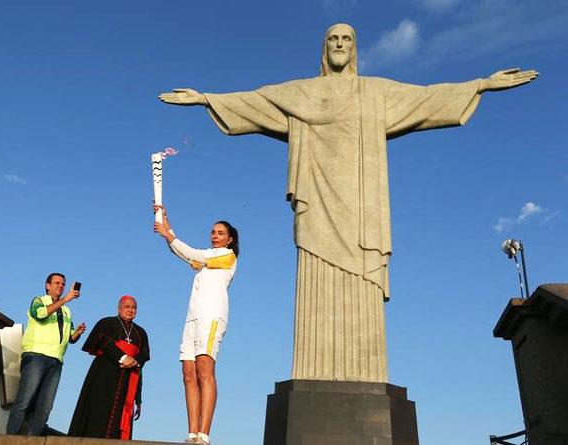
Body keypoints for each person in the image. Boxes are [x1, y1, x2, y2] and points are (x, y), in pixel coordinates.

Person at [159, 23, 538, 383]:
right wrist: (206, 98)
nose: (339, 44)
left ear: (354, 48)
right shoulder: (300, 93)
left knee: (362, 280)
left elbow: (427, 97)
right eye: (332, 39)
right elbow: (257, 101)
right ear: (324, 49)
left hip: (362, 209)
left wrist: (482, 85)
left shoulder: (375, 92)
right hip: (316, 205)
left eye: (346, 39)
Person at [153, 205, 239, 445]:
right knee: (188, 374)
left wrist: (167, 233)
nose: (214, 235)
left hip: (211, 317)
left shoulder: (226, 257)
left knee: (204, 370)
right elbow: (182, 253)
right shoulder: (206, 262)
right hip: (192, 318)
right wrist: (166, 221)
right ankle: (192, 434)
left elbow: (193, 253)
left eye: (220, 233)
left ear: (230, 239)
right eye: (213, 232)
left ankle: (204, 434)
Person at [6, 272, 86, 435]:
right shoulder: (39, 300)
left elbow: (70, 338)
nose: (61, 286)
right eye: (57, 283)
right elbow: (40, 314)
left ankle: (33, 439)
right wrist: (66, 299)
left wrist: (77, 332)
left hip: (56, 361)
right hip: (36, 356)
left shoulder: (66, 311)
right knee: (25, 400)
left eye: (63, 284)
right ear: (47, 286)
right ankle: (11, 438)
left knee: (45, 407)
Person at [68, 295, 150, 440]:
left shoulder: (141, 333)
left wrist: (138, 398)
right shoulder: (106, 323)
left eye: (133, 308)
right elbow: (102, 340)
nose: (130, 310)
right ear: (119, 308)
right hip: (103, 377)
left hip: (129, 380)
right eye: (127, 307)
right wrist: (123, 357)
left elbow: (144, 355)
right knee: (98, 413)